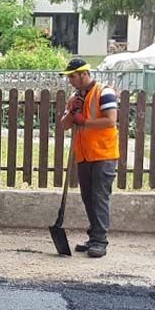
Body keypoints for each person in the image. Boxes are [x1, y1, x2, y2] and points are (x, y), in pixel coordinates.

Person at [57, 58, 119, 258]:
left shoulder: (104, 92)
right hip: (84, 155)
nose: (70, 81)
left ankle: (100, 241)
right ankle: (94, 237)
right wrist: (72, 111)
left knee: (99, 198)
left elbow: (110, 121)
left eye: (72, 76)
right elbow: (64, 125)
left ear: (84, 74)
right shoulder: (75, 97)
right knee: (88, 198)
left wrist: (85, 121)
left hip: (103, 154)